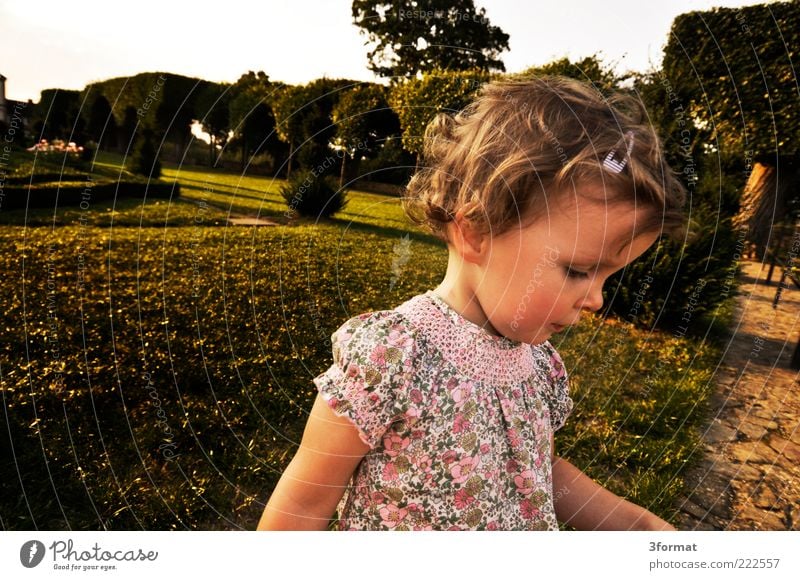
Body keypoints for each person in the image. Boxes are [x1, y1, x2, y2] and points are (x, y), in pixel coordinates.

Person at [257, 76, 686, 531]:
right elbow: (301, 507)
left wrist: (637, 525)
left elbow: (537, 471)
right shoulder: (391, 357)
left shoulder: (537, 366)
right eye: (579, 271)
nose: (597, 299)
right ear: (476, 232)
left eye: (608, 277)